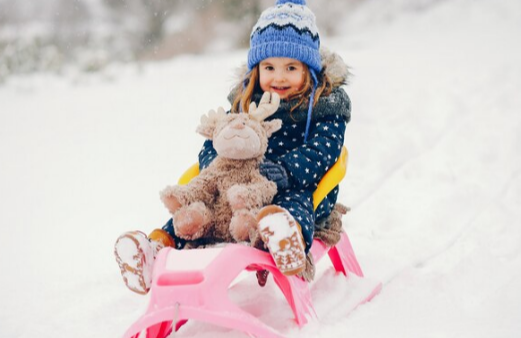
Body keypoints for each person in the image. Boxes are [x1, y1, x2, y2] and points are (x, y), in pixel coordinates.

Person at [114, 0, 351, 295]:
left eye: (291, 67)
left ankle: (286, 241)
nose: (278, 77)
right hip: (239, 189)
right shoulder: (245, 102)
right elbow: (217, 140)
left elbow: (325, 151)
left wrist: (287, 171)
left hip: (300, 184)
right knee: (198, 210)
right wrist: (220, 166)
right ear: (257, 69)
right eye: (269, 67)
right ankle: (155, 249)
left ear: (309, 70)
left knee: (293, 203)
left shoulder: (325, 107)